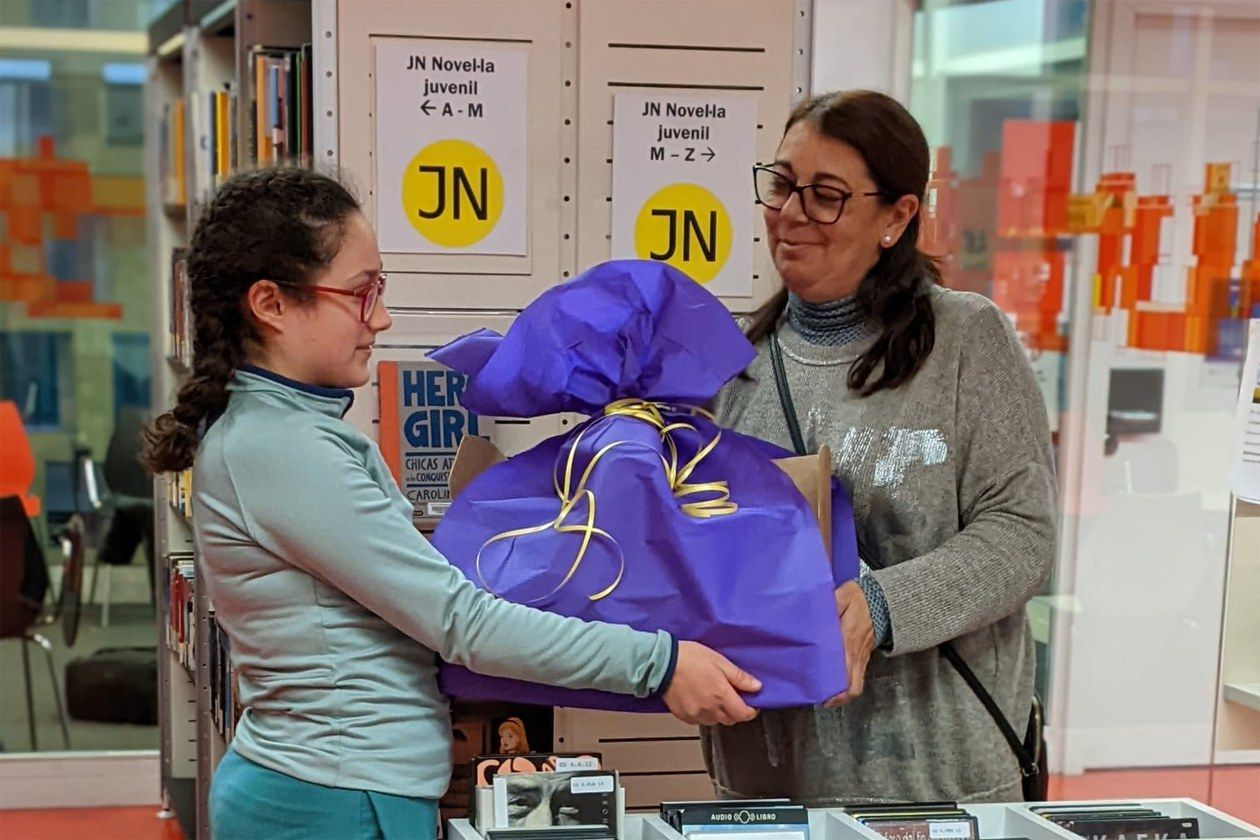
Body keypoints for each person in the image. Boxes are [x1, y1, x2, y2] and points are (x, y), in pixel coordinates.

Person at [142, 168, 761, 839]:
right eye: (360, 292)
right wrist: (660, 663)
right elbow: (461, 624)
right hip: (333, 800)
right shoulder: (283, 448)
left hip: (332, 788)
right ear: (270, 303)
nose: (381, 317)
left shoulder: (281, 432)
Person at [701, 90, 1056, 804]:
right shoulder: (732, 364)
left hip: (938, 786)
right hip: (769, 788)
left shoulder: (965, 341)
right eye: (782, 185)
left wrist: (881, 606)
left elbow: (1022, 536)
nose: (791, 213)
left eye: (826, 196)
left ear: (897, 217)